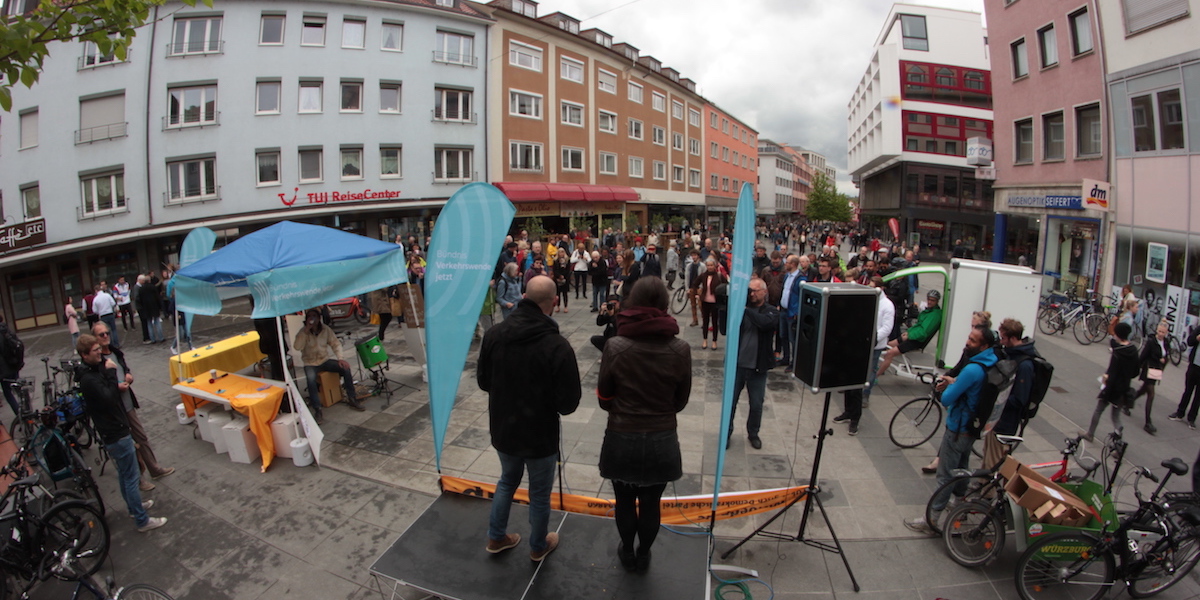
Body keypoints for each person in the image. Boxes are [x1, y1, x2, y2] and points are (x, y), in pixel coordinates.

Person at [478, 276, 581, 562]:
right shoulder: (557, 345)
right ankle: (538, 545)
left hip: (504, 429)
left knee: (507, 481)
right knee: (538, 492)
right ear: (554, 302)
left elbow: (484, 382)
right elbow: (569, 403)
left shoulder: (494, 335)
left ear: (523, 296)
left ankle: (496, 536)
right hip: (539, 435)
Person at [597, 277, 690, 572]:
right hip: (661, 438)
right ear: (664, 305)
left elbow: (603, 397)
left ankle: (627, 549)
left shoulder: (616, 346)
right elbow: (680, 400)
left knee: (624, 501)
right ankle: (644, 553)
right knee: (651, 503)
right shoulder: (680, 349)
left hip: (622, 435)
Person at [904, 327, 997, 534]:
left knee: (945, 475)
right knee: (962, 467)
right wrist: (956, 381)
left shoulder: (972, 369)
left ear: (984, 346)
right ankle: (958, 504)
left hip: (958, 427)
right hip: (972, 428)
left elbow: (946, 398)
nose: (967, 342)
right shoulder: (990, 361)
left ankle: (931, 519)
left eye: (972, 340)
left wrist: (949, 385)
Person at [75, 334, 167, 532]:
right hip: (115, 432)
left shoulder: (90, 372)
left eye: (99, 349)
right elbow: (108, 398)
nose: (100, 352)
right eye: (95, 350)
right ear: (84, 355)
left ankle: (134, 509)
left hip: (113, 430)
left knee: (126, 475)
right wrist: (110, 375)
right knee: (131, 477)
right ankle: (142, 520)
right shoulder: (89, 379)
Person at [92, 322, 175, 491]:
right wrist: (116, 387)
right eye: (101, 334)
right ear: (95, 339)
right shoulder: (97, 362)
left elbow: (123, 368)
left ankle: (155, 469)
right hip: (115, 410)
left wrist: (128, 374)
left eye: (107, 332)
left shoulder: (115, 353)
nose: (106, 336)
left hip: (127, 403)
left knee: (141, 437)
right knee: (128, 446)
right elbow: (100, 388)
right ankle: (139, 479)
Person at [833, 277, 894, 435]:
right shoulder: (867, 300)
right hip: (857, 344)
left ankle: (855, 418)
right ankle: (848, 411)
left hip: (872, 346)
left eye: (874, 287)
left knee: (859, 381)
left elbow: (886, 328)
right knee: (848, 380)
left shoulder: (887, 306)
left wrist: (869, 338)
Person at [727, 278, 778, 449]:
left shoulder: (770, 311)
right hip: (738, 366)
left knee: (756, 404)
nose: (752, 294)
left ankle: (753, 433)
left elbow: (765, 324)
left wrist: (745, 309)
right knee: (730, 403)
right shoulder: (741, 309)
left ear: (764, 292)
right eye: (750, 290)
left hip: (757, 367)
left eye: (756, 290)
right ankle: (727, 433)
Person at [294, 308, 365, 421]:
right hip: (310, 362)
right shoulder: (303, 332)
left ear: (319, 318)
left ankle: (352, 398)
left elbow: (335, 344)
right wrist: (306, 330)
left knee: (345, 369)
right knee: (310, 380)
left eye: (315, 316)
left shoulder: (325, 329)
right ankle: (317, 409)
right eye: (310, 316)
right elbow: (297, 347)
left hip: (324, 360)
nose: (312, 319)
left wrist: (340, 358)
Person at [1085, 322, 1140, 440]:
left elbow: (1112, 372)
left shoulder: (1117, 352)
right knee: (1116, 416)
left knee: (1098, 410)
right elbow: (1136, 372)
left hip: (1112, 388)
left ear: (1118, 334)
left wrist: (1106, 385)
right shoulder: (1133, 350)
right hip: (1124, 388)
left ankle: (1090, 433)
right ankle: (1118, 436)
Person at [876, 290, 944, 377]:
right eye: (929, 299)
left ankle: (876, 376)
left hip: (916, 340)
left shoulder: (934, 315)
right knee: (886, 345)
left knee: (890, 353)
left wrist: (909, 335)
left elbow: (923, 332)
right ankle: (880, 367)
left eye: (932, 300)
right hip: (912, 336)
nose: (930, 302)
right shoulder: (929, 311)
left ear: (937, 301)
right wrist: (908, 332)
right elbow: (918, 326)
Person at [1133, 321, 1168, 435]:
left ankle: (1126, 402)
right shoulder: (1151, 342)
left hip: (1156, 371)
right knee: (1151, 394)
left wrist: (1164, 361)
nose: (1161, 334)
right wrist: (1136, 368)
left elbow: (1166, 356)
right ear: (1156, 330)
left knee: (1142, 391)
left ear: (1166, 332)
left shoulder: (1166, 342)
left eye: (1163, 332)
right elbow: (1143, 356)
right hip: (1148, 370)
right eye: (1159, 331)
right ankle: (1148, 422)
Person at [1169, 323, 1200, 428]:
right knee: (1188, 390)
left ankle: (1191, 418)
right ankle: (1180, 413)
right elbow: (1190, 341)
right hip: (1194, 366)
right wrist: (1197, 338)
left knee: (1198, 396)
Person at [694, 259, 726, 351]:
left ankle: (714, 341)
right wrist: (697, 293)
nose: (710, 267)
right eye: (708, 265)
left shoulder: (719, 276)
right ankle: (705, 340)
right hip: (705, 301)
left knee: (715, 322)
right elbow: (695, 283)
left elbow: (726, 286)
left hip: (715, 302)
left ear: (715, 266)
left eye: (711, 265)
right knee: (705, 321)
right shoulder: (703, 275)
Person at [0, 314, 22, 417]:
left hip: (4, 370)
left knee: (8, 394)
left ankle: (20, 417)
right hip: (14, 365)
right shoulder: (7, 330)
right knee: (19, 390)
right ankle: (26, 411)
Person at [136, 274, 165, 344]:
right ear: (149, 281)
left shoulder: (141, 289)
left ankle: (152, 339)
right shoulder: (153, 287)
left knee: (149, 323)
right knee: (157, 322)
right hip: (154, 307)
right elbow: (157, 297)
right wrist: (160, 306)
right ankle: (161, 337)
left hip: (146, 308)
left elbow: (139, 299)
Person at [685, 249, 703, 327]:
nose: (694, 257)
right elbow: (687, 277)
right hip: (692, 287)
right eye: (692, 255)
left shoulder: (702, 266)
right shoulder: (689, 266)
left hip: (699, 287)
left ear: (698, 256)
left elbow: (703, 277)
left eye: (695, 255)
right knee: (693, 305)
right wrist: (687, 288)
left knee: (701, 305)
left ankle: (704, 320)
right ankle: (694, 320)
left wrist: (702, 287)